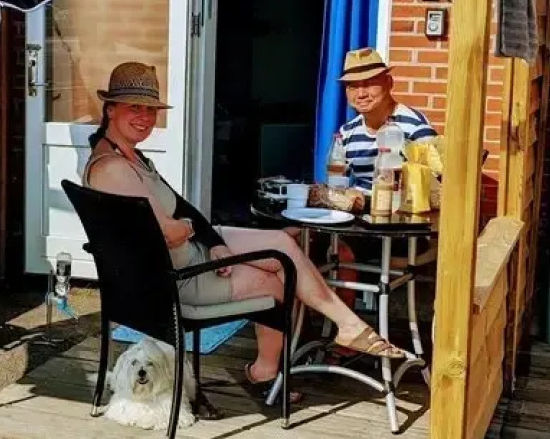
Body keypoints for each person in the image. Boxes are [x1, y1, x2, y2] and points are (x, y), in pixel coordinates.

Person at [83, 61, 401, 397]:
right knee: (276, 279)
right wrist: (189, 229)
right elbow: (168, 232)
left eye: (150, 109)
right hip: (175, 279)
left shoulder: (130, 157)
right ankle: (275, 365)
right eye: (134, 107)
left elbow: (182, 212)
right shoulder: (113, 169)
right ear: (110, 109)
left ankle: (338, 328)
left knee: (281, 241)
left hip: (185, 256)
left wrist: (213, 242)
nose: (145, 117)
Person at [332, 47, 437, 191]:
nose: (361, 94)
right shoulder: (346, 132)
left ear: (389, 83)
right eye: (353, 86)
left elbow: (433, 188)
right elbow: (337, 184)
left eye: (369, 83)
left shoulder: (415, 128)